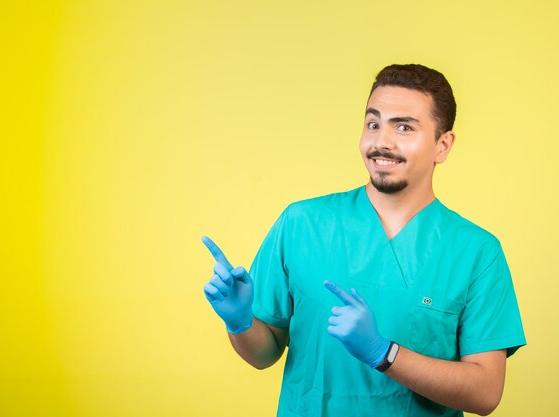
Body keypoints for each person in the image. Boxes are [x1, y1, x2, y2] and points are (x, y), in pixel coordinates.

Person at [201, 64, 526, 417]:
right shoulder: (302, 224)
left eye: (403, 127)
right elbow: (263, 355)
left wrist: (384, 353)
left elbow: (485, 393)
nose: (381, 141)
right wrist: (240, 322)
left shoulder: (476, 252)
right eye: (373, 124)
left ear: (442, 145)